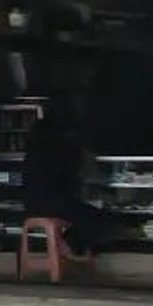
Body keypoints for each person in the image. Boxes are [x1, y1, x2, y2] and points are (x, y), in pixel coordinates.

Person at [18, 106, 108, 259]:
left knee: (86, 217)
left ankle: (66, 246)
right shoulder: (59, 152)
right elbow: (69, 180)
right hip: (54, 204)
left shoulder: (31, 153)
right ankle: (68, 246)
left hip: (32, 205)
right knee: (99, 218)